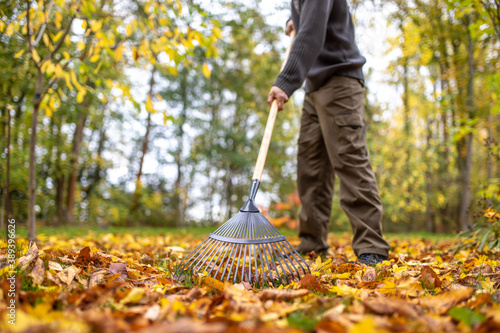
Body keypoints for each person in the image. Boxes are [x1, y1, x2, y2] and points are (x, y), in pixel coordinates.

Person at [268, 0, 390, 266]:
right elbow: (306, 22)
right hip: (314, 87)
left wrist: (285, 82)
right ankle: (312, 245)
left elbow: (312, 32)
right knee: (310, 167)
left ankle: (372, 248)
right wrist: (294, 21)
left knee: (349, 159)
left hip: (340, 80)